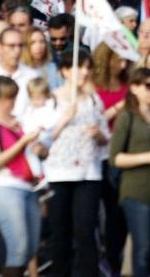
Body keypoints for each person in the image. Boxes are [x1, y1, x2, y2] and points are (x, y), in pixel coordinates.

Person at [32, 49, 108, 277]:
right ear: (65, 71)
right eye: (78, 67)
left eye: (88, 67)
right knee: (59, 232)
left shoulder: (94, 99)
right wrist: (64, 119)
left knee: (85, 230)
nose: (84, 72)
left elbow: (106, 138)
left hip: (88, 172)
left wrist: (98, 135)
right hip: (58, 172)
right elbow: (40, 142)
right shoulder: (51, 100)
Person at [0, 76, 43, 277]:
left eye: (13, 97)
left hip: (27, 186)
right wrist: (23, 143)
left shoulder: (18, 122)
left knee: (31, 248)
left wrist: (38, 146)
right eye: (7, 98)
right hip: (3, 187)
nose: (11, 103)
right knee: (19, 249)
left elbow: (30, 154)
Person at [111, 66, 150, 277]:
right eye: (148, 86)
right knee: (143, 249)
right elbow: (116, 158)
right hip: (136, 192)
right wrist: (149, 157)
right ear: (135, 88)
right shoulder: (127, 117)